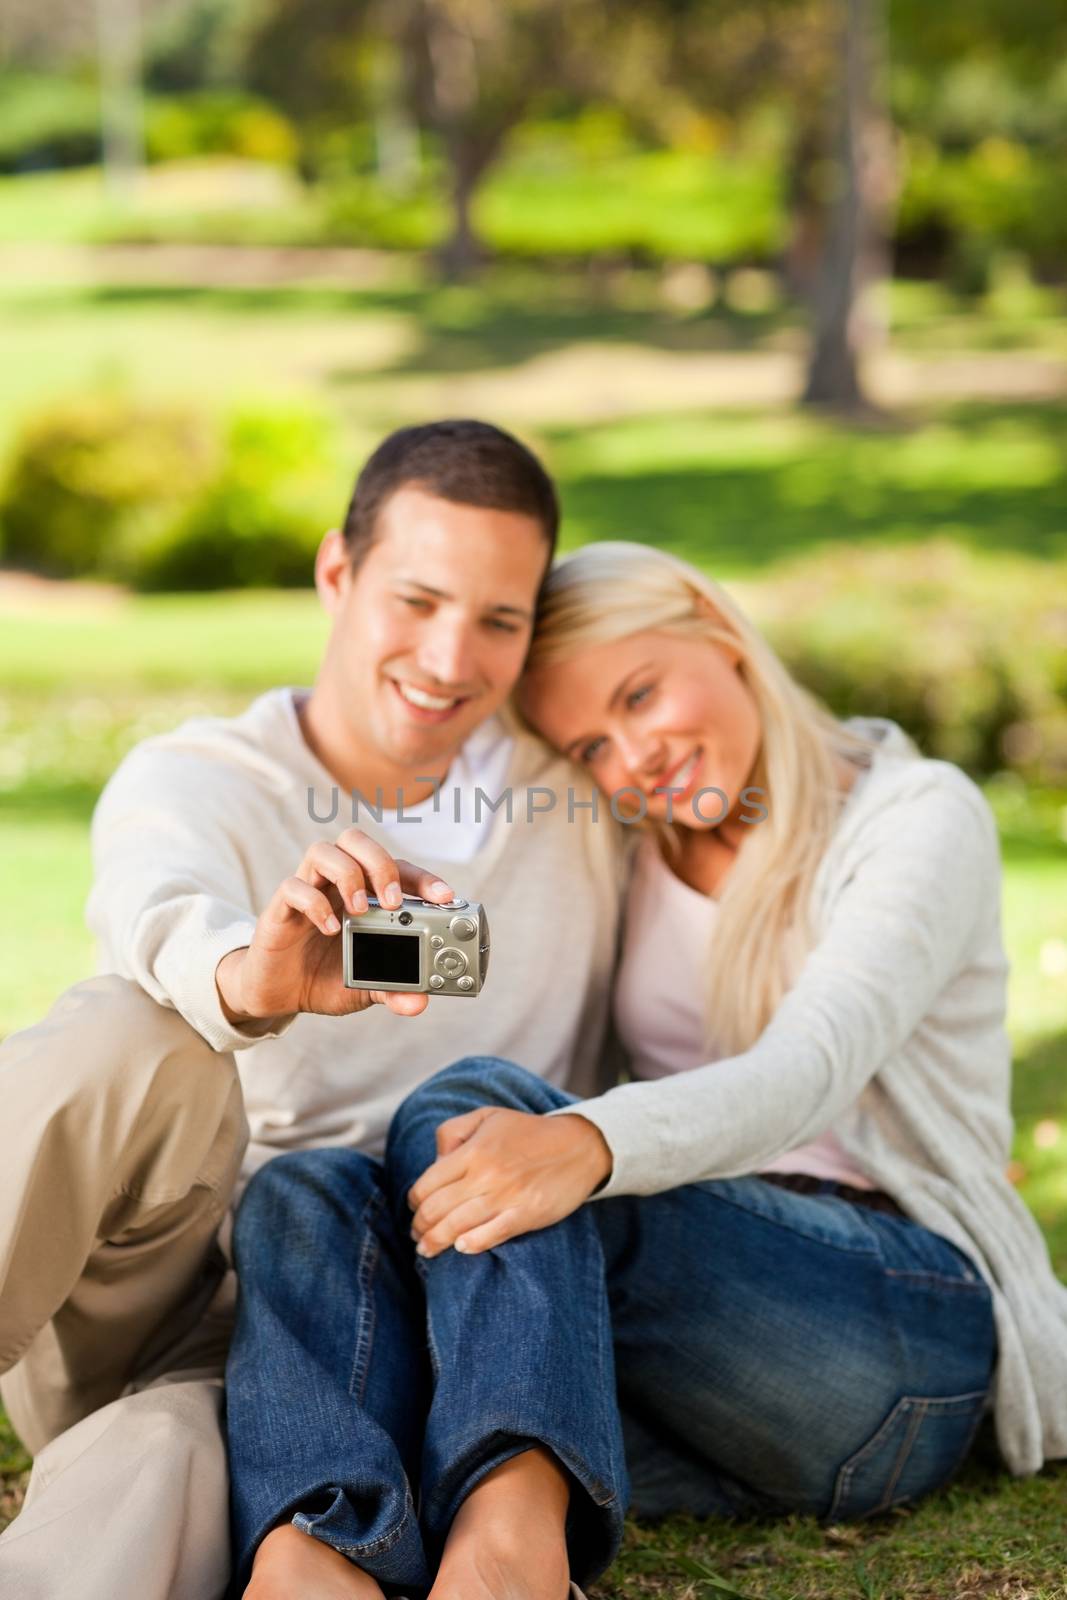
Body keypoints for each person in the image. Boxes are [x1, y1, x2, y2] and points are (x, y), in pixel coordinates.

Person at [225, 541, 1067, 1600]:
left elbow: (805, 1070)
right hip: (692, 1379)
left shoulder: (914, 816)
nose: (633, 759)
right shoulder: (627, 845)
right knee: (312, 1189)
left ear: (717, 633)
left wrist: (583, 1143)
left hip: (885, 1334)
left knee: (464, 1112)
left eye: (640, 694)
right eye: (590, 745)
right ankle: (315, 1557)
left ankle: (507, 1559)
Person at [0, 422, 627, 1600]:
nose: (450, 657)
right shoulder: (203, 777)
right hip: (173, 1283)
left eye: (499, 618)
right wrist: (258, 978)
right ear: (337, 574)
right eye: (416, 598)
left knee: (152, 1480)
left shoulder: (581, 807)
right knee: (130, 1030)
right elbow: (156, 908)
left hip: (372, 1359)